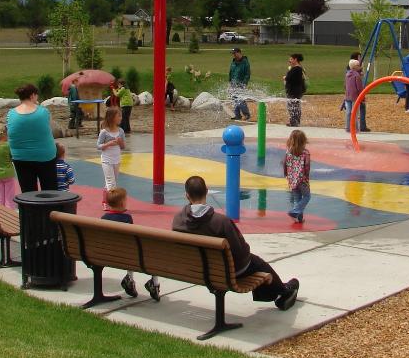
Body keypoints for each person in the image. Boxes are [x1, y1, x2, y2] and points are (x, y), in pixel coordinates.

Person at [173, 176, 299, 310]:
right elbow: (240, 254)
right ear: (207, 191)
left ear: (187, 195)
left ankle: (280, 291)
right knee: (256, 263)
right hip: (224, 272)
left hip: (194, 269)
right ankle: (283, 292)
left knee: (254, 263)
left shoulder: (178, 220)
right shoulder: (221, 222)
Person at [102, 187, 161, 301]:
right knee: (149, 253)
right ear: (123, 203)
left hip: (106, 255)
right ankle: (154, 283)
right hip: (127, 256)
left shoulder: (104, 218)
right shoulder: (127, 218)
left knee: (129, 250)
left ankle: (130, 278)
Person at [6, 83, 58, 193]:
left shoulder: (11, 114)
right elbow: (49, 127)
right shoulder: (43, 112)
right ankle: (49, 209)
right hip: (45, 156)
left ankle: (28, 210)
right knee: (50, 190)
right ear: (32, 95)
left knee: (27, 191)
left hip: (20, 157)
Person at [97, 107, 125, 209]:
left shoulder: (121, 131)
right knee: (111, 182)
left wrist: (120, 142)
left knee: (112, 182)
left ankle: (105, 200)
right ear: (112, 118)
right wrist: (108, 144)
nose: (121, 118)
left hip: (116, 160)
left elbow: (123, 147)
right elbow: (98, 146)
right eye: (119, 116)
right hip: (106, 160)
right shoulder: (104, 132)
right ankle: (113, 204)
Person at [283, 130, 311, 224]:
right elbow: (307, 165)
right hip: (302, 179)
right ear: (303, 141)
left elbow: (284, 164)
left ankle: (299, 218)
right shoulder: (305, 153)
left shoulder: (288, 152)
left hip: (292, 179)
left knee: (297, 198)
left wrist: (286, 174)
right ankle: (295, 211)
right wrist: (306, 174)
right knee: (307, 196)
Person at [0, 123, 19, 208]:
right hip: (8, 173)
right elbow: (12, 157)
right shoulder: (8, 145)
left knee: (0, 197)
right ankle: (9, 214)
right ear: (5, 134)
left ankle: (0, 213)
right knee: (9, 197)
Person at [344, 59, 369, 132]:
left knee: (348, 112)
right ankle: (355, 128)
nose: (360, 67)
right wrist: (362, 98)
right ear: (354, 67)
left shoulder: (347, 74)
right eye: (358, 65)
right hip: (355, 97)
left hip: (348, 96)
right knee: (354, 112)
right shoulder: (357, 76)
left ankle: (348, 127)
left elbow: (345, 85)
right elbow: (359, 88)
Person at [283, 53, 306, 126]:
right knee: (293, 106)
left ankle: (294, 122)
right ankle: (294, 121)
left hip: (294, 91)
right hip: (295, 90)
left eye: (291, 59)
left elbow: (290, 78)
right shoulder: (297, 68)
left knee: (293, 106)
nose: (289, 61)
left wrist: (285, 77)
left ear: (295, 59)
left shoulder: (297, 68)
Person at [228, 48, 251, 120]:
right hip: (233, 83)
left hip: (241, 84)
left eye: (235, 53)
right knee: (234, 99)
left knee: (240, 99)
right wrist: (230, 82)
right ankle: (237, 115)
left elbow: (247, 74)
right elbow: (231, 72)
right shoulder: (233, 62)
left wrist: (244, 83)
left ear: (239, 53)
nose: (233, 55)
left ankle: (247, 115)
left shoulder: (245, 62)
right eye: (233, 53)